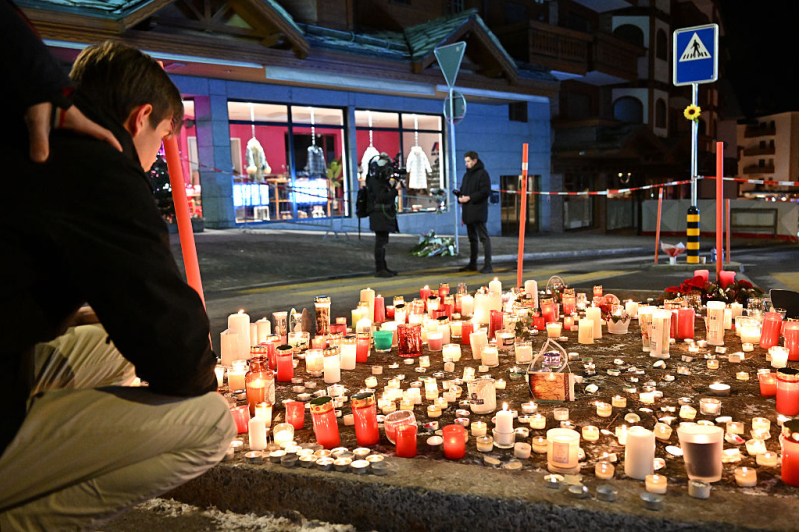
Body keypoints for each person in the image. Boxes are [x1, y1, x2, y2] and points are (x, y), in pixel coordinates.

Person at [0, 33, 236, 532]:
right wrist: (207, 376)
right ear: (139, 118)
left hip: (13, 356)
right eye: (162, 139)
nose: (155, 161)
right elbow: (175, 353)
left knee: (109, 345)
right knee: (212, 425)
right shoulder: (100, 164)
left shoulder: (29, 130)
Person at [456, 150, 493, 273]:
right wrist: (459, 196)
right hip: (468, 211)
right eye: (465, 161)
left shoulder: (483, 174)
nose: (466, 164)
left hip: (478, 211)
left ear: (474, 161)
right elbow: (464, 190)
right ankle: (473, 263)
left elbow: (485, 191)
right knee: (472, 239)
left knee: (483, 238)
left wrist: (469, 198)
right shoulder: (467, 175)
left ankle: (488, 265)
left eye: (468, 161)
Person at [365, 153, 402, 277]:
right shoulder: (375, 182)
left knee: (382, 242)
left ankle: (383, 267)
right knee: (380, 243)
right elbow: (383, 197)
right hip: (380, 216)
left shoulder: (376, 181)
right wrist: (396, 189)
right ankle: (380, 269)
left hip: (382, 216)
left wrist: (391, 185)